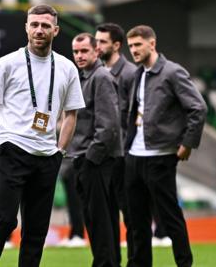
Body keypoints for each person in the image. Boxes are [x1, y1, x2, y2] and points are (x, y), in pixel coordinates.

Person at [0, 4, 85, 267]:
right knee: (3, 219)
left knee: (36, 229)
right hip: (12, 147)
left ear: (56, 30)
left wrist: (60, 150)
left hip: (48, 155)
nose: (39, 30)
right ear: (26, 27)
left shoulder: (67, 68)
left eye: (45, 25)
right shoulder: (6, 63)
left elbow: (71, 114)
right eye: (34, 24)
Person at [124, 25, 207, 267]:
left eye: (138, 44)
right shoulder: (138, 74)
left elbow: (198, 108)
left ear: (152, 43)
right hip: (134, 156)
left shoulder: (172, 72)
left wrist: (188, 143)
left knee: (170, 218)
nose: (134, 50)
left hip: (161, 156)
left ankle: (184, 263)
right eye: (131, 46)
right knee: (136, 220)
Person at [70, 32, 122, 267]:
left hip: (96, 161)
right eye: (76, 51)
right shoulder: (85, 78)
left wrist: (90, 159)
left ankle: (104, 263)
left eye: (84, 51)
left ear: (96, 51)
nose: (79, 55)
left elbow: (109, 125)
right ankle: (107, 262)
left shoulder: (100, 77)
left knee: (98, 220)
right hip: (88, 158)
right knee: (101, 219)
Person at [95, 22, 137, 263]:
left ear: (116, 45)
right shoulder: (97, 71)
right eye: (96, 41)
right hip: (105, 155)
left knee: (131, 215)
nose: (97, 45)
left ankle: (134, 260)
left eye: (102, 42)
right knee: (106, 214)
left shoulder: (130, 74)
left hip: (126, 155)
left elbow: (135, 115)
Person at [56, 157, 87, 247]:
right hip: (65, 168)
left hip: (73, 165)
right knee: (71, 204)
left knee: (75, 203)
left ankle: (79, 235)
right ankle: (73, 234)